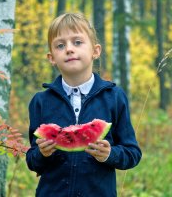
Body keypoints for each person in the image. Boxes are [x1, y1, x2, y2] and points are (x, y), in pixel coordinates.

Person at [26, 12, 142, 197]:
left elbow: (132, 153)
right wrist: (41, 154)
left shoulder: (114, 97)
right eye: (60, 45)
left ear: (95, 51)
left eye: (77, 42)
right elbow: (32, 161)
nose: (69, 49)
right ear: (51, 57)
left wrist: (109, 154)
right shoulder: (40, 101)